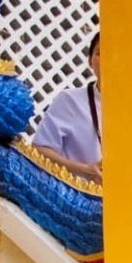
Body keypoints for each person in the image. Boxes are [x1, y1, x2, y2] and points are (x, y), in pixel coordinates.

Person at [34, 32, 104, 174]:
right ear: (90, 61)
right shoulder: (70, 101)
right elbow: (39, 150)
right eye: (100, 53)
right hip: (81, 187)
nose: (108, 59)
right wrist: (85, 171)